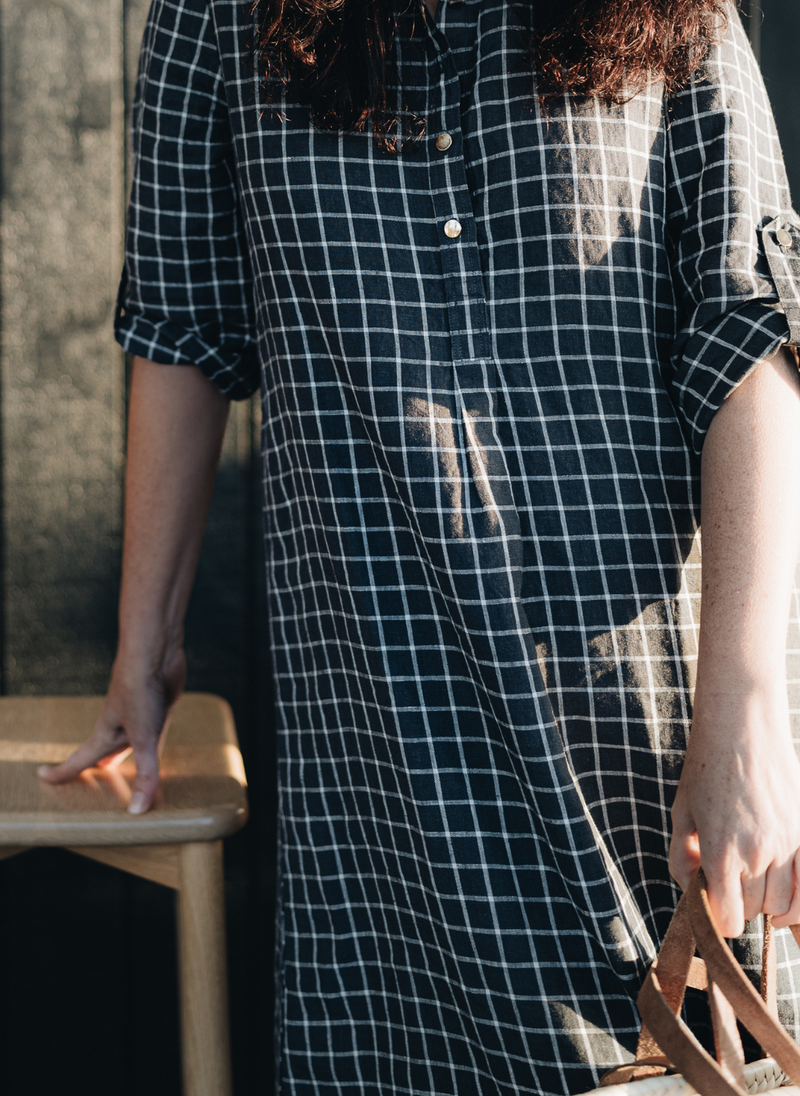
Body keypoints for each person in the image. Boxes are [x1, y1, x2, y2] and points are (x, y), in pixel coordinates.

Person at [38, 0, 800, 1091]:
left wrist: (744, 705)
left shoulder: (675, 12)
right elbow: (179, 325)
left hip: (652, 732)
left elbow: (750, 337)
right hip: (381, 750)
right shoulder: (217, 16)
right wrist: (141, 651)